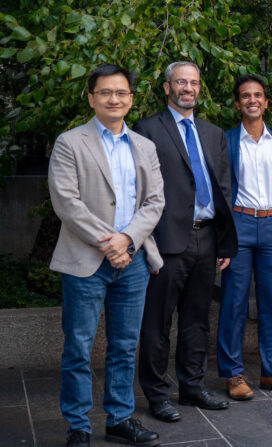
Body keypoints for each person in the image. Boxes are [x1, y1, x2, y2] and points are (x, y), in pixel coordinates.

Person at [49, 65, 165, 447]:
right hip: (86, 260)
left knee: (124, 345)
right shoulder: (70, 142)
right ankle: (78, 425)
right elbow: (67, 203)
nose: (113, 99)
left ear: (130, 99)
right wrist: (110, 241)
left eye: (121, 93)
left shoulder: (145, 146)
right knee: (78, 347)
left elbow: (154, 202)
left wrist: (128, 240)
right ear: (91, 98)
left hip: (133, 261)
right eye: (105, 93)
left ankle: (119, 419)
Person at [134, 61, 235, 424]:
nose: (187, 88)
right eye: (180, 82)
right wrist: (145, 243)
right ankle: (158, 394)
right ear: (167, 88)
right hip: (165, 240)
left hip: (206, 238)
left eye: (193, 83)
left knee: (197, 320)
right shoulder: (146, 129)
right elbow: (139, 189)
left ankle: (191, 386)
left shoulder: (213, 133)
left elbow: (223, 188)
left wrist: (224, 242)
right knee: (157, 322)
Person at [217, 74, 272, 399]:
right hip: (238, 224)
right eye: (245, 96)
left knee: (271, 303)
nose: (252, 100)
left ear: (266, 102)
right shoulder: (225, 141)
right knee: (233, 302)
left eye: (258, 95)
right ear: (238, 103)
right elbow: (219, 189)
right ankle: (233, 374)